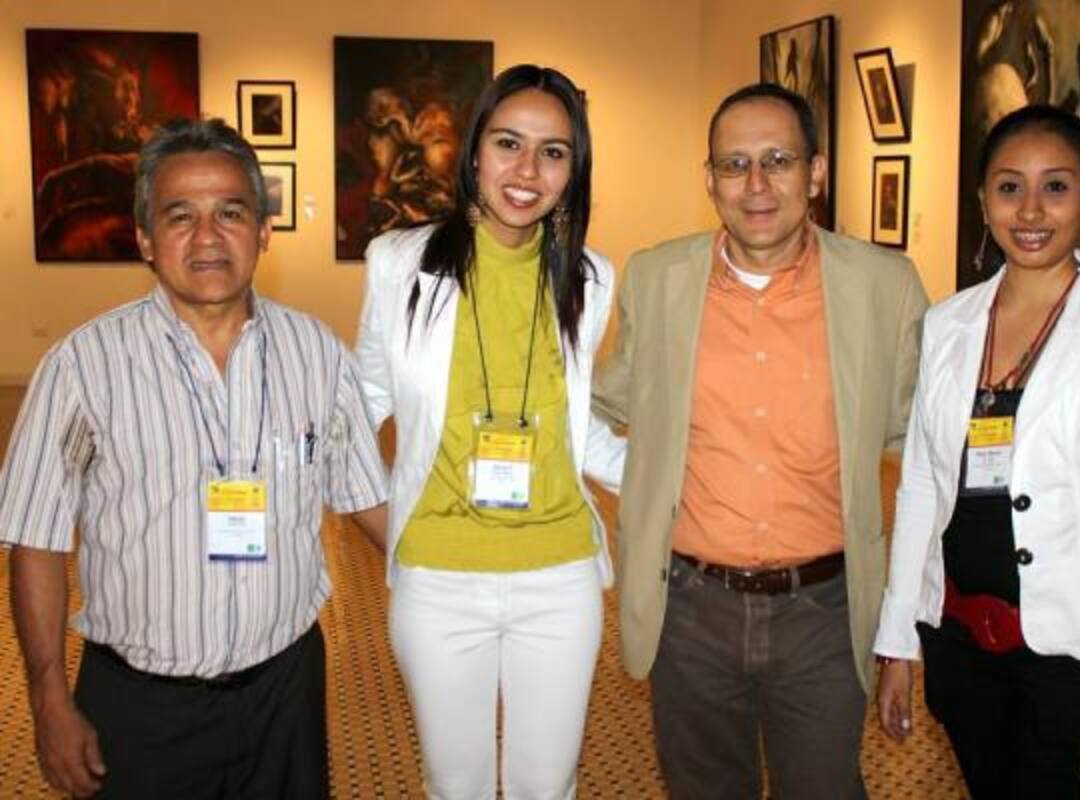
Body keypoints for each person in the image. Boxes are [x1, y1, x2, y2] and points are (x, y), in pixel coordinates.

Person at [0, 118, 390, 799]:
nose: (208, 237)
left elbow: (365, 497)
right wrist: (48, 700)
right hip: (141, 708)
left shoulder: (318, 355)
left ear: (263, 232)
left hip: (285, 693)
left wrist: (469, 569)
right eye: (180, 216)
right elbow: (34, 540)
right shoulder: (82, 367)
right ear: (146, 239)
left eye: (230, 213)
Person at [592, 82, 929, 798]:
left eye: (777, 159)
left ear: (816, 172)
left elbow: (923, 448)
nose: (756, 185)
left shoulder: (884, 286)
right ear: (708, 179)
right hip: (689, 607)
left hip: (825, 611)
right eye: (733, 164)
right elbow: (609, 398)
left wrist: (908, 620)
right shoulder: (656, 277)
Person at [874, 105, 1080, 800]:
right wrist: (899, 638)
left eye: (1057, 186)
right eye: (1010, 186)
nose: (1031, 210)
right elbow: (924, 487)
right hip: (960, 643)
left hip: (1072, 659)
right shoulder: (949, 323)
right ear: (983, 199)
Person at [355, 64, 623, 800]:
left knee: (548, 785)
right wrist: (386, 519)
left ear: (575, 172)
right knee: (457, 785)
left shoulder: (593, 280)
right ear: (474, 152)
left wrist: (669, 475)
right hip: (438, 575)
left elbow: (579, 433)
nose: (527, 170)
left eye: (554, 152)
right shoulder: (397, 264)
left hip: (558, 574)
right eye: (509, 143)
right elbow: (363, 398)